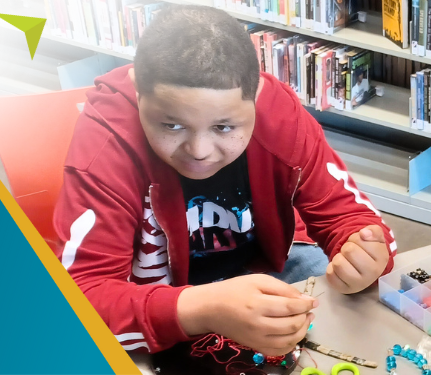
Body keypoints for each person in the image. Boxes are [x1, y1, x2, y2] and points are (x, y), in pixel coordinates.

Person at [52, 5, 398, 357]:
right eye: (171, 125)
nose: (199, 151)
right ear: (137, 91)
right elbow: (77, 305)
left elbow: (351, 218)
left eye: (224, 127)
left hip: (268, 261)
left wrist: (364, 253)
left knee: (360, 304)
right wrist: (202, 309)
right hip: (159, 292)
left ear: (257, 97)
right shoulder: (106, 144)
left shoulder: (280, 116)